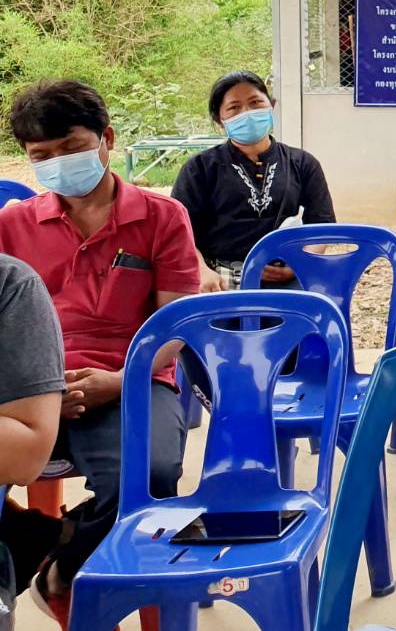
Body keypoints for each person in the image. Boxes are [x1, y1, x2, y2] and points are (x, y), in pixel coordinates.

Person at [0, 80, 198, 624]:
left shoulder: (162, 216)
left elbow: (173, 326)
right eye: (42, 156)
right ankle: (43, 534)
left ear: (106, 139)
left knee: (153, 475)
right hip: (32, 387)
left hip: (132, 380)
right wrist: (36, 391)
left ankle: (62, 569)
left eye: (71, 149)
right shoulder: (11, 226)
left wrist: (119, 379)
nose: (58, 164)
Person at [171, 70, 336, 291]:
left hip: (289, 277)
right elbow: (180, 233)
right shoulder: (200, 168)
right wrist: (203, 272)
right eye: (234, 107)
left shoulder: (302, 163)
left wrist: (300, 264)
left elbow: (321, 225)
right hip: (219, 280)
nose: (246, 113)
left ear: (272, 105)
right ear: (220, 120)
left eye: (255, 102)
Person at [0, 254, 64, 631]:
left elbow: (25, 453)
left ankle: (65, 549)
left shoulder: (11, 286)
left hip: (96, 380)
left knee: (151, 468)